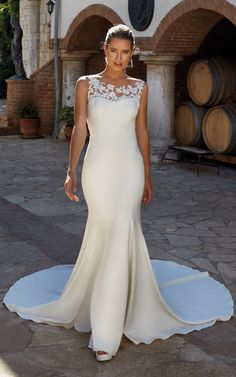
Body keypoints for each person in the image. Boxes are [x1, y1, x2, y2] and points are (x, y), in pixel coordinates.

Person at [3, 24, 234, 363]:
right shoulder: (86, 85)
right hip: (97, 169)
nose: (119, 58)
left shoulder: (139, 88)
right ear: (104, 49)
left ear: (131, 54)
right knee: (105, 232)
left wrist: (148, 174)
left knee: (122, 231)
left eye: (126, 53)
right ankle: (105, 316)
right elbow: (80, 127)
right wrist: (71, 170)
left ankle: (106, 331)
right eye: (114, 51)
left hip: (129, 171)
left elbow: (142, 133)